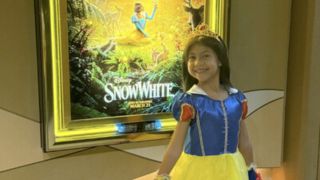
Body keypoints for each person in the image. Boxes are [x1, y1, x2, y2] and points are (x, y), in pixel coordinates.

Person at [155, 29, 261, 180]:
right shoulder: (190, 101)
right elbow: (175, 146)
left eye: (205, 56)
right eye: (192, 58)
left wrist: (250, 168)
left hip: (232, 171)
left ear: (220, 60)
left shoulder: (236, 99)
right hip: (197, 172)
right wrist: (162, 175)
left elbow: (244, 141)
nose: (198, 63)